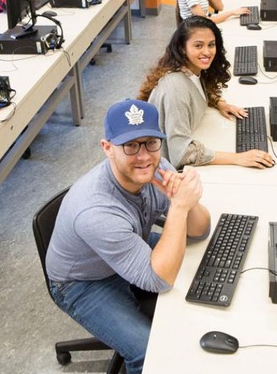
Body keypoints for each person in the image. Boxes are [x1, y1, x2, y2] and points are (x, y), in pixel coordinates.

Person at [45, 99, 211, 374]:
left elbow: (200, 231)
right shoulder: (96, 210)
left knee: (207, 255)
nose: (144, 156)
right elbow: (159, 280)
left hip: (130, 243)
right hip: (83, 282)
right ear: (107, 148)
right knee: (148, 352)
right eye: (130, 145)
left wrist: (188, 202)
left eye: (150, 142)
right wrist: (179, 208)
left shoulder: (157, 167)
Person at [138, 17, 274, 169]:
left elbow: (197, 90)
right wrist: (238, 158)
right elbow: (182, 153)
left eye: (211, 45)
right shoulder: (175, 87)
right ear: (183, 48)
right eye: (198, 45)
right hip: (160, 171)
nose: (207, 52)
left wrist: (219, 103)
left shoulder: (193, 69)